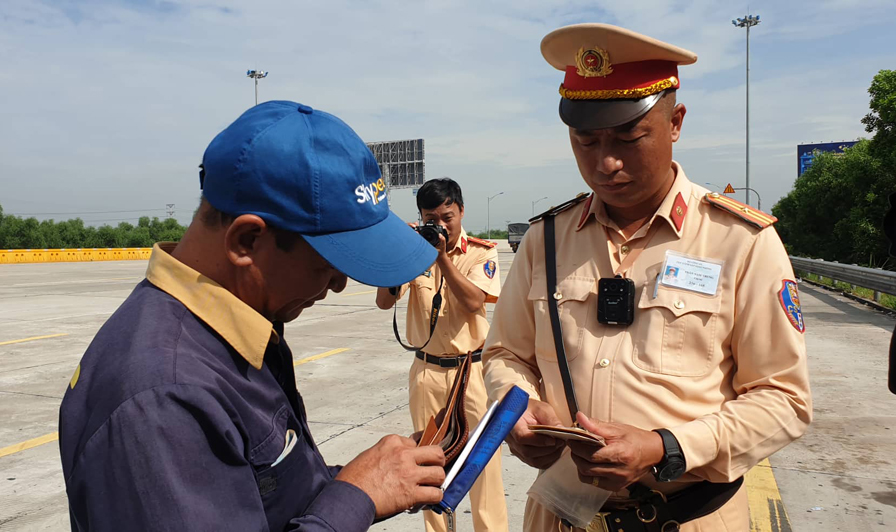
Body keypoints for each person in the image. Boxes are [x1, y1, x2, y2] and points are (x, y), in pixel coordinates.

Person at [481, 23, 813, 532]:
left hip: (687, 517)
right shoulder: (544, 241)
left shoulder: (740, 241)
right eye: (585, 141)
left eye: (629, 137)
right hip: (561, 515)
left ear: (675, 122)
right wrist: (517, 409)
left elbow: (783, 399)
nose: (605, 163)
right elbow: (505, 354)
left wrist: (667, 447)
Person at [59, 101, 448, 532]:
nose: (339, 284)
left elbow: (263, 497)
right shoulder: (162, 400)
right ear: (246, 241)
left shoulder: (234, 329)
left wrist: (370, 481)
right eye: (329, 262)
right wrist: (354, 498)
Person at [375, 177, 509, 532]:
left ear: (461, 211)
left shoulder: (481, 252)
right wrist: (398, 255)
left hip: (472, 373)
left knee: (483, 467)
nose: (441, 225)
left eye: (447, 216)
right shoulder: (414, 252)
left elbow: (474, 301)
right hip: (427, 372)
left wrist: (442, 259)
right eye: (432, 218)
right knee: (429, 466)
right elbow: (383, 301)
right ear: (420, 217)